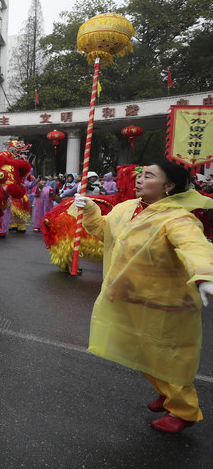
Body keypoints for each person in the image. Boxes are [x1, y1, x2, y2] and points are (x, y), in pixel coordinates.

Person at [73, 160, 213, 434]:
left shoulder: (177, 218)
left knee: (167, 354)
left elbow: (194, 246)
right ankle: (166, 391)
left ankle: (183, 410)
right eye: (140, 174)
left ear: (168, 186)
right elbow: (105, 231)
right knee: (138, 349)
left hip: (164, 303)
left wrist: (205, 276)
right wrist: (89, 209)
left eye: (148, 175)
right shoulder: (127, 208)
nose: (139, 179)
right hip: (129, 297)